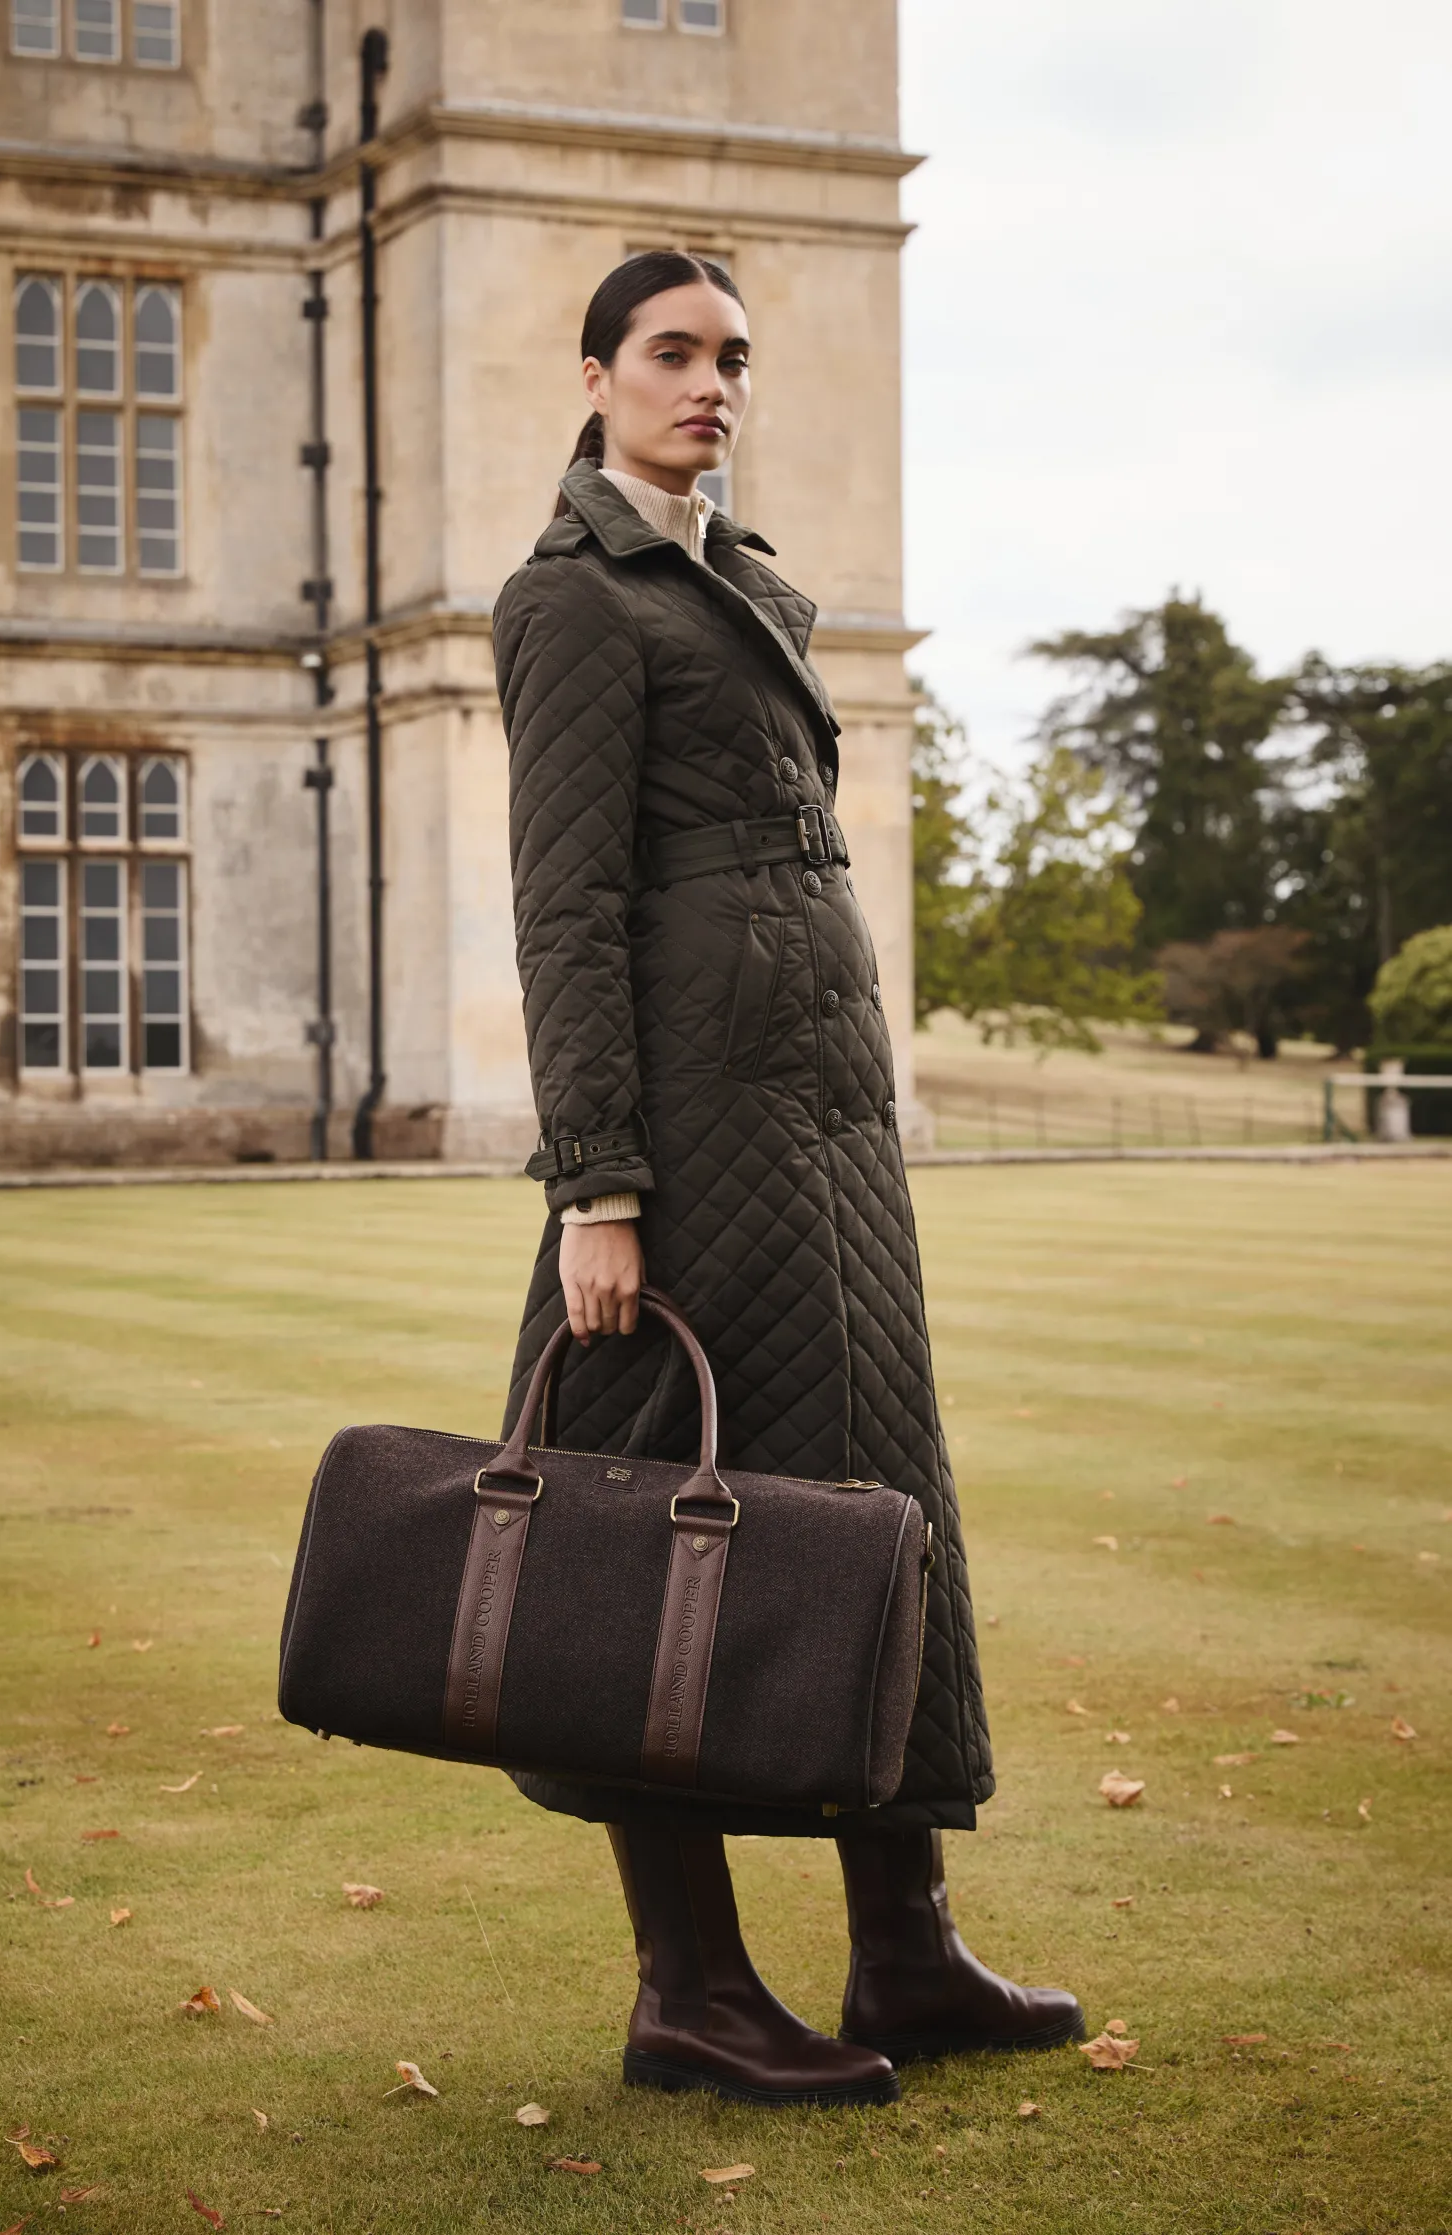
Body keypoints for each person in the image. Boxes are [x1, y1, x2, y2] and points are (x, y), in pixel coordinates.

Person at [491, 251, 1081, 2108]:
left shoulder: (737, 579)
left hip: (827, 1132)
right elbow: (565, 913)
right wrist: (595, 1182)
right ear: (596, 375)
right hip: (683, 1148)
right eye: (671, 352)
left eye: (732, 356)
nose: (710, 383)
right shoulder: (572, 599)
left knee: (877, 1510)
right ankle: (688, 1989)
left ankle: (902, 1948)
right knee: (643, 1535)